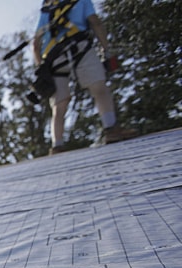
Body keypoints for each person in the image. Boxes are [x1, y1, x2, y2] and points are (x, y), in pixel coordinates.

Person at [33, 0, 136, 154]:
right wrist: (106, 50)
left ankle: (57, 145)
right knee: (99, 88)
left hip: (54, 58)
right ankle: (111, 129)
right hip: (80, 47)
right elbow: (95, 22)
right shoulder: (82, 1)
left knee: (59, 105)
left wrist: (40, 67)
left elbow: (36, 43)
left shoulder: (47, 10)